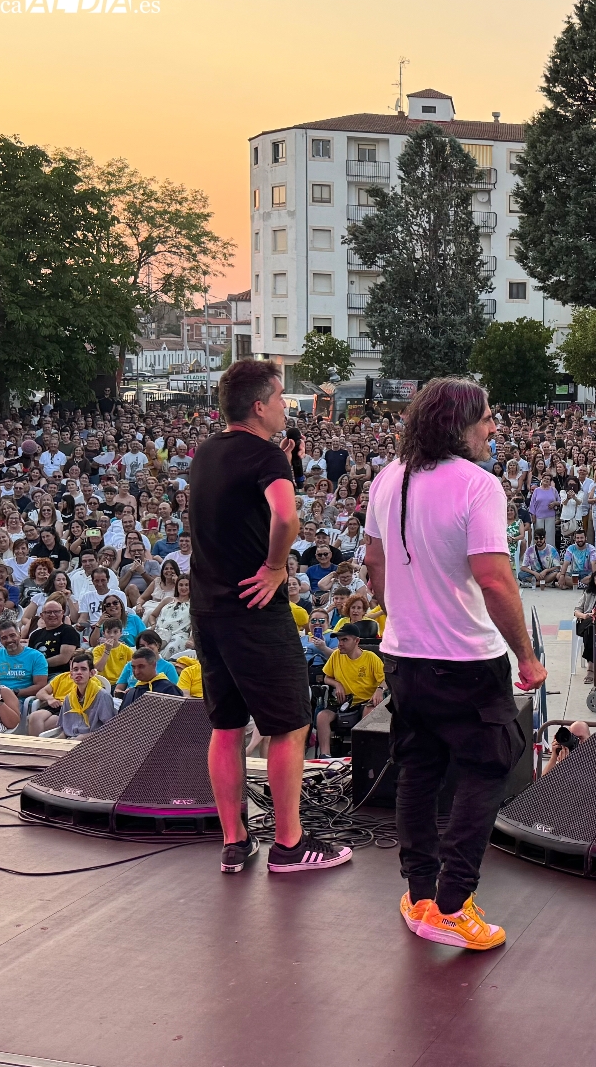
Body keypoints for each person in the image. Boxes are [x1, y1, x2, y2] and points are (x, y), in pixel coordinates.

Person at [365, 376, 545, 951]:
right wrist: (527, 655)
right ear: (459, 425)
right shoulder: (479, 485)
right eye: (487, 417)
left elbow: (375, 564)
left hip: (403, 654)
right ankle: (452, 902)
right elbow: (495, 578)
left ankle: (419, 894)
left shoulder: (388, 477)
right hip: (466, 658)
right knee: (486, 768)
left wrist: (406, 613)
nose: (494, 427)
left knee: (417, 770)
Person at [189, 359, 351, 875]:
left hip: (208, 608)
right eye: (281, 397)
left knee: (227, 725)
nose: (288, 404)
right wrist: (277, 566)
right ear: (259, 406)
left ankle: (234, 843)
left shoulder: (206, 453)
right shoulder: (264, 458)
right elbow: (285, 514)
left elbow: (244, 506)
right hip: (255, 608)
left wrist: (283, 463)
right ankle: (289, 844)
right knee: (289, 725)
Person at [315, 623, 387, 757]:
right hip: (343, 702)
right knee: (322, 717)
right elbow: (326, 678)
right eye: (339, 640)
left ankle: (359, 754)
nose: (340, 644)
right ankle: (325, 755)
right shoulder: (336, 655)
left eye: (344, 640)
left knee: (369, 711)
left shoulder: (370, 657)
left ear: (357, 641)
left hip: (364, 701)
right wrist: (337, 684)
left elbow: (386, 678)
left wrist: (379, 689)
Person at [29, 650, 115, 738]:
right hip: (70, 732)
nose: (79, 672)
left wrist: (81, 738)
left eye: (83, 669)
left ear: (92, 673)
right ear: (71, 674)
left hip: (93, 740)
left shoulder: (101, 695)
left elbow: (109, 729)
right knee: (34, 717)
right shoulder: (69, 697)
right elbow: (66, 729)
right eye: (75, 669)